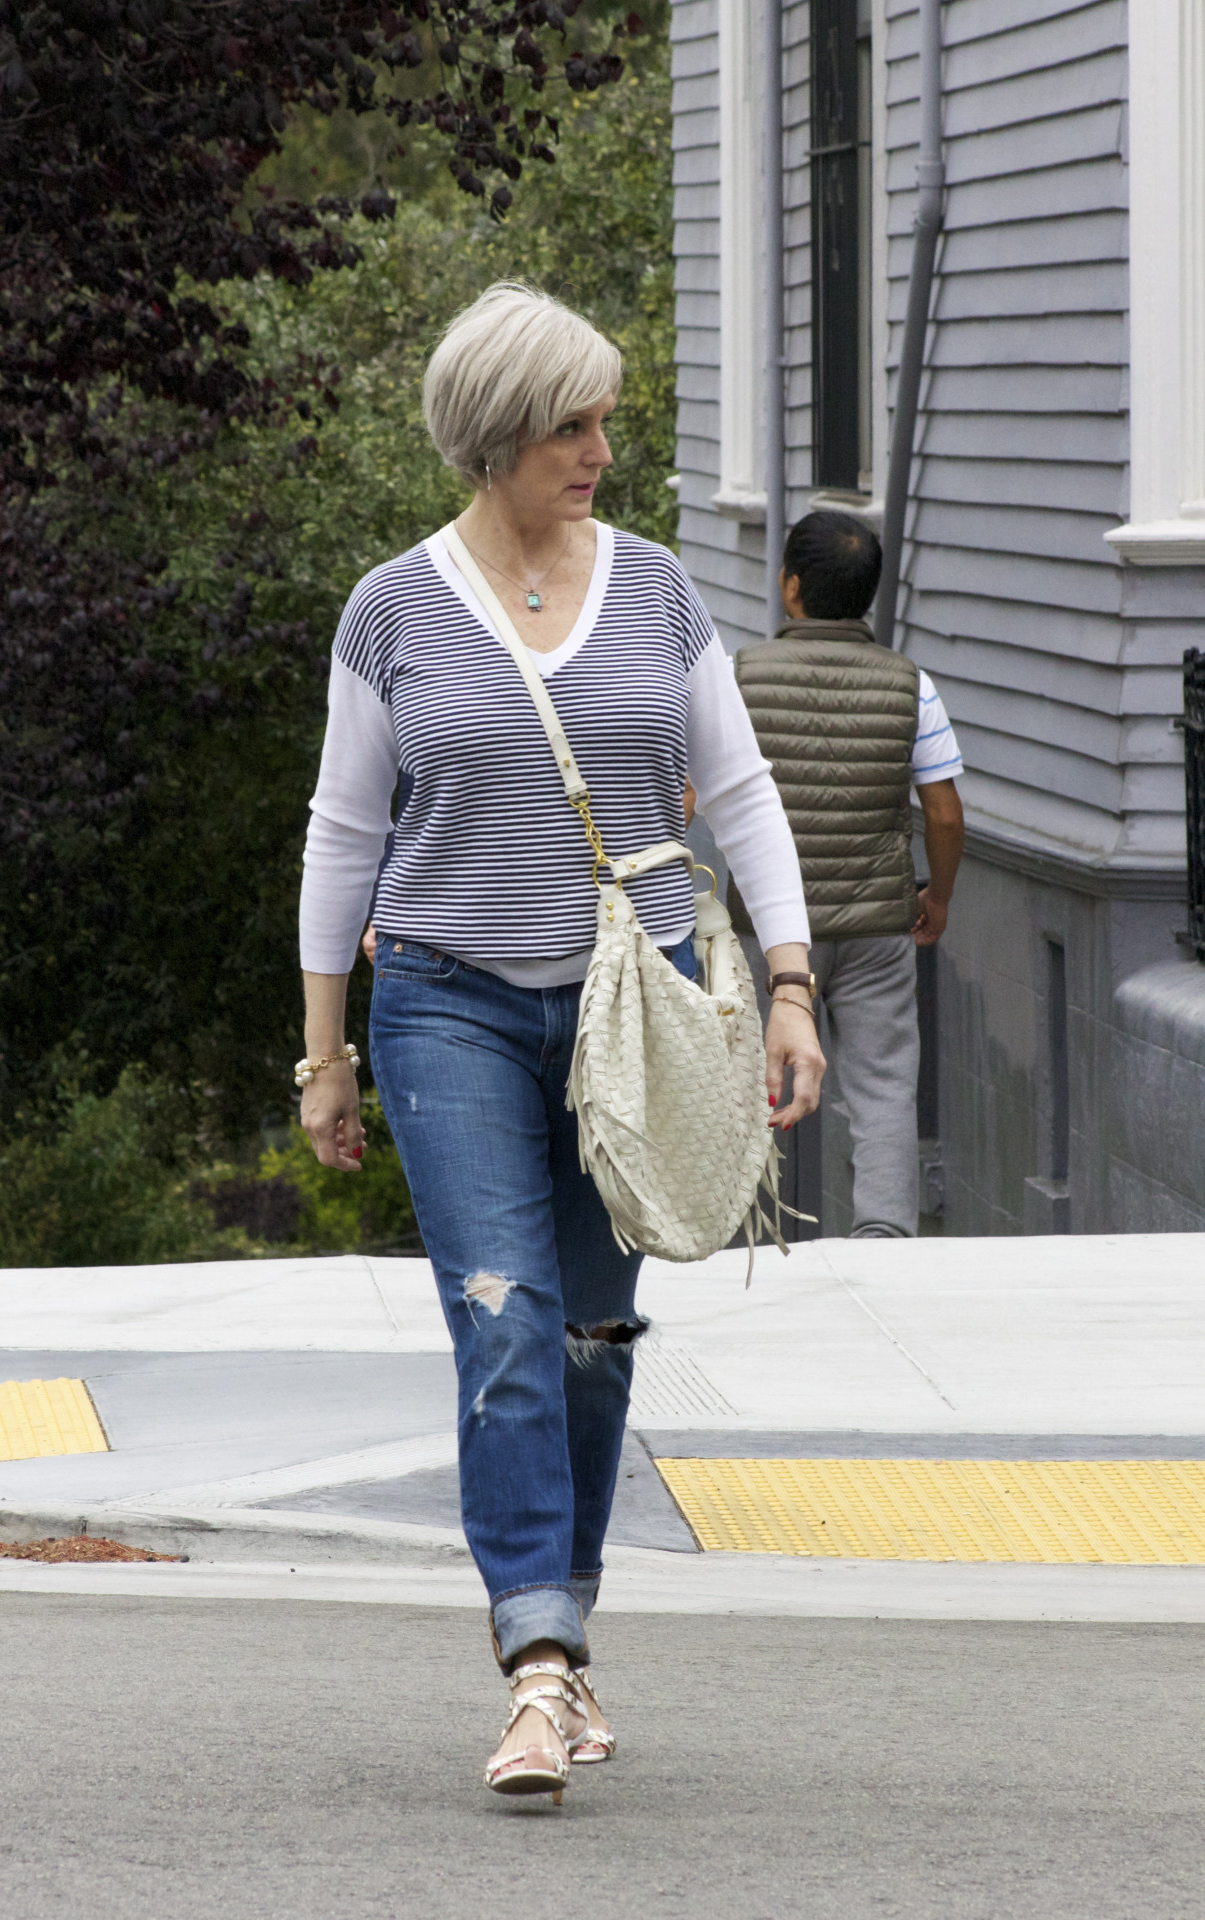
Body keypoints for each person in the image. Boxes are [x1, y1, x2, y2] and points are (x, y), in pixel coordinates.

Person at [297, 283, 824, 1800]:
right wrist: (325, 1052)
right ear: (494, 437)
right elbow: (344, 833)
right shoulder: (392, 610)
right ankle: (534, 1664)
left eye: (602, 421)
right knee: (508, 1321)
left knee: (591, 1343)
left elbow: (742, 794)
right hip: (447, 1004)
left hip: (629, 1014)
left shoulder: (657, 591)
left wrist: (790, 984)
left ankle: (566, 1634)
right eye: (571, 427)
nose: (600, 450)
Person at [730, 509, 965, 1239]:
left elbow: (689, 793)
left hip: (765, 935)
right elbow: (944, 812)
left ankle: (741, 1230)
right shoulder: (911, 685)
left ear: (790, 586)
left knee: (752, 1079)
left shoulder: (740, 677)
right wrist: (937, 897)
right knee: (884, 1085)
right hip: (876, 927)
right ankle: (885, 1240)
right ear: (868, 593)